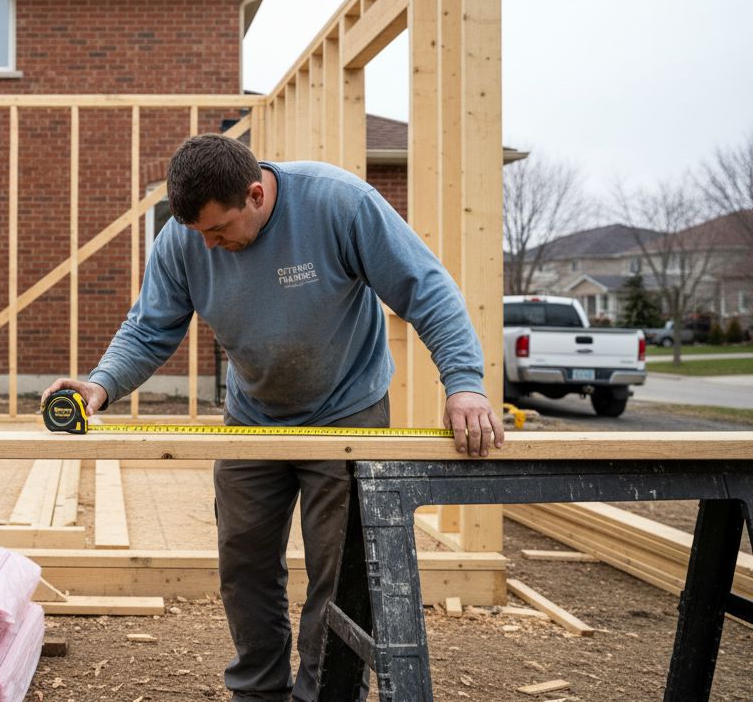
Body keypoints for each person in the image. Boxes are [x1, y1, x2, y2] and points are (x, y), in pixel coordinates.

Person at [42, 134, 503, 702]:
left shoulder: (338, 204)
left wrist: (464, 385)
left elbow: (424, 288)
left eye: (218, 231)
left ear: (255, 194)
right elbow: (149, 327)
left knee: (337, 572)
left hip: (346, 412)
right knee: (244, 563)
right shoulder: (183, 240)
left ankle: (325, 693)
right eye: (198, 234)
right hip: (252, 416)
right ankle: (258, 693)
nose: (208, 245)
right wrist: (100, 385)